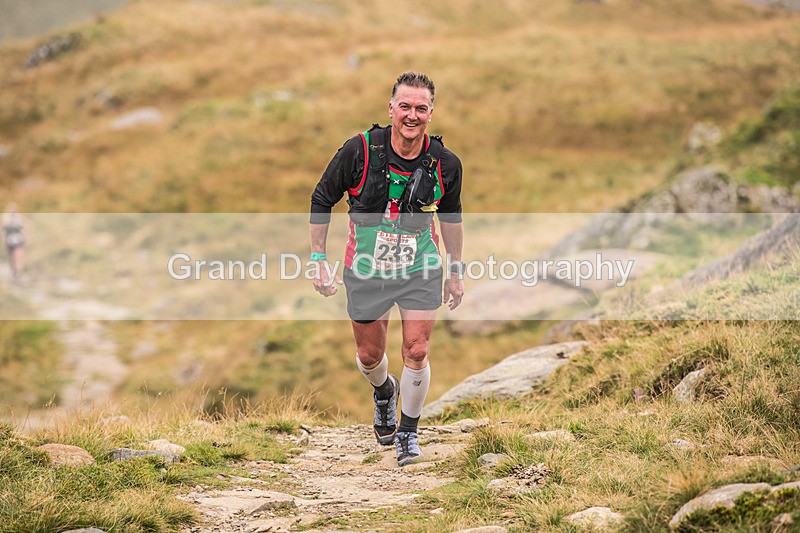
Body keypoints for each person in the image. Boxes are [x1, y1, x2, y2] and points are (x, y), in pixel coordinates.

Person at [309, 71, 465, 467]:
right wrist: (318, 260)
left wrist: (455, 271)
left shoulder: (445, 163)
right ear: (391, 108)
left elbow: (451, 217)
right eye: (405, 106)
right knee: (368, 355)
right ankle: (383, 392)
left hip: (420, 265)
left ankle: (408, 433)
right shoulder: (359, 151)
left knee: (417, 349)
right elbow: (322, 198)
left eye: (421, 108)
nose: (412, 115)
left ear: (431, 113)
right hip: (366, 267)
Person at [3, 203, 26, 282]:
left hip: (18, 240)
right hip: (9, 241)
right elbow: (3, 229)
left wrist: (24, 236)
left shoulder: (20, 218)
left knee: (18, 258)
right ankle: (13, 273)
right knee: (11, 258)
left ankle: (18, 274)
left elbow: (25, 226)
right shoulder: (5, 219)